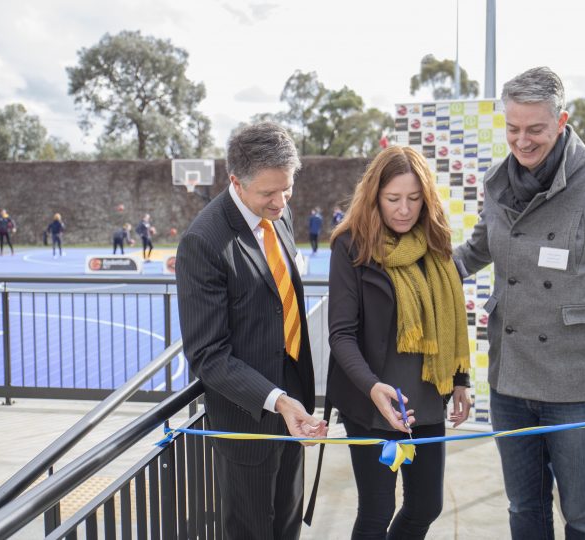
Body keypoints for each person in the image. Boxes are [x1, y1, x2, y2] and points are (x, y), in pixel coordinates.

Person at [453, 67, 585, 539]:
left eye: (535, 130)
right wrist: (412, 274)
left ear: (562, 120)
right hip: (511, 379)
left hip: (579, 384)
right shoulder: (496, 181)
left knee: (584, 515)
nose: (522, 141)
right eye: (512, 129)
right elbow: (475, 251)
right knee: (523, 508)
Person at [176, 121, 327, 539]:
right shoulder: (202, 241)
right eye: (268, 193)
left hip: (293, 407)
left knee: (286, 527)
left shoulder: (280, 215)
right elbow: (208, 354)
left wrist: (291, 401)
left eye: (287, 188)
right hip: (247, 421)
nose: (280, 202)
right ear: (235, 182)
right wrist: (276, 401)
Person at [328, 145, 472, 538]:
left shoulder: (437, 244)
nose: (404, 209)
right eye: (393, 199)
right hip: (371, 402)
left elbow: (451, 318)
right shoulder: (350, 246)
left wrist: (461, 379)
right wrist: (373, 387)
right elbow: (340, 334)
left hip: (426, 400)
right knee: (377, 511)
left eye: (414, 199)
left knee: (427, 505)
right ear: (374, 195)